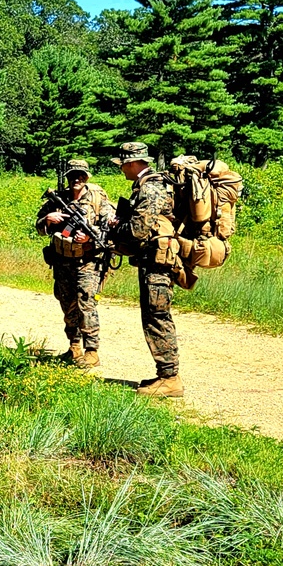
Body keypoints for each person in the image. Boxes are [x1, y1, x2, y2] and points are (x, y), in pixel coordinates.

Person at [110, 142, 184, 398]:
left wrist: (116, 228)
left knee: (157, 316)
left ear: (132, 163)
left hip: (158, 262)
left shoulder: (151, 187)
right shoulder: (148, 185)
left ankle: (170, 379)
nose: (122, 171)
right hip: (152, 259)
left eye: (122, 166)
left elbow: (138, 230)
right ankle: (165, 373)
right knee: (153, 315)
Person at [35, 159, 115, 368]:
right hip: (62, 261)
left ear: (87, 177)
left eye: (80, 175)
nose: (76, 179)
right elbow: (38, 225)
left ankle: (92, 351)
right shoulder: (58, 199)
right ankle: (74, 346)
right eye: (72, 175)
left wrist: (89, 237)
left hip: (88, 261)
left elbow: (111, 230)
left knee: (86, 303)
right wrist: (48, 220)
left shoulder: (98, 199)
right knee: (66, 302)